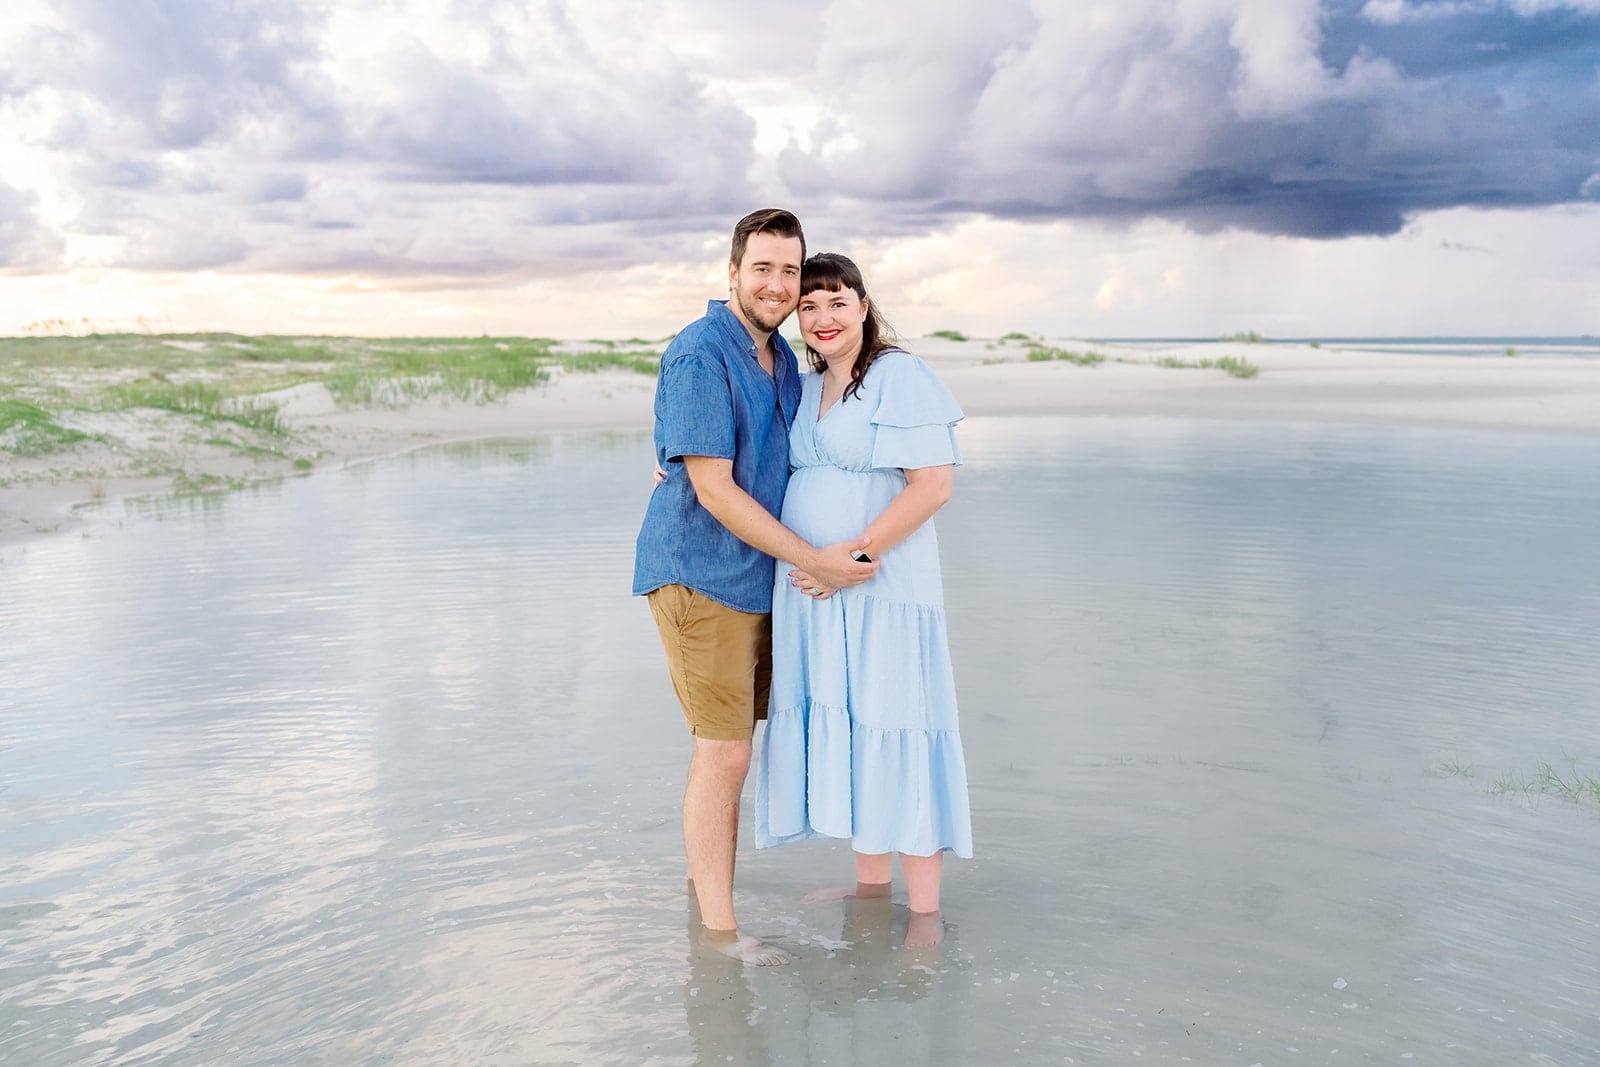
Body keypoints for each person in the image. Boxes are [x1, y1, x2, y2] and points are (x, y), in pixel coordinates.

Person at [633, 210, 879, 966]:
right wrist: (818, 560)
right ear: (733, 273)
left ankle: (700, 887)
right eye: (762, 268)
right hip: (701, 573)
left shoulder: (782, 359)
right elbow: (714, 490)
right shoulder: (701, 351)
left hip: (759, 578)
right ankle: (719, 935)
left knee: (731, 747)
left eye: (789, 271)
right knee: (726, 754)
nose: (777, 285)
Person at [754, 252, 973, 945]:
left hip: (881, 585)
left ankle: (926, 918)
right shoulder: (806, 385)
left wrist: (850, 560)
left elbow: (933, 486)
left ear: (863, 305)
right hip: (817, 592)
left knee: (898, 719)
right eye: (809, 305)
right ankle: (873, 892)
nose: (823, 318)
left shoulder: (898, 375)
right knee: (855, 724)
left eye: (837, 302)